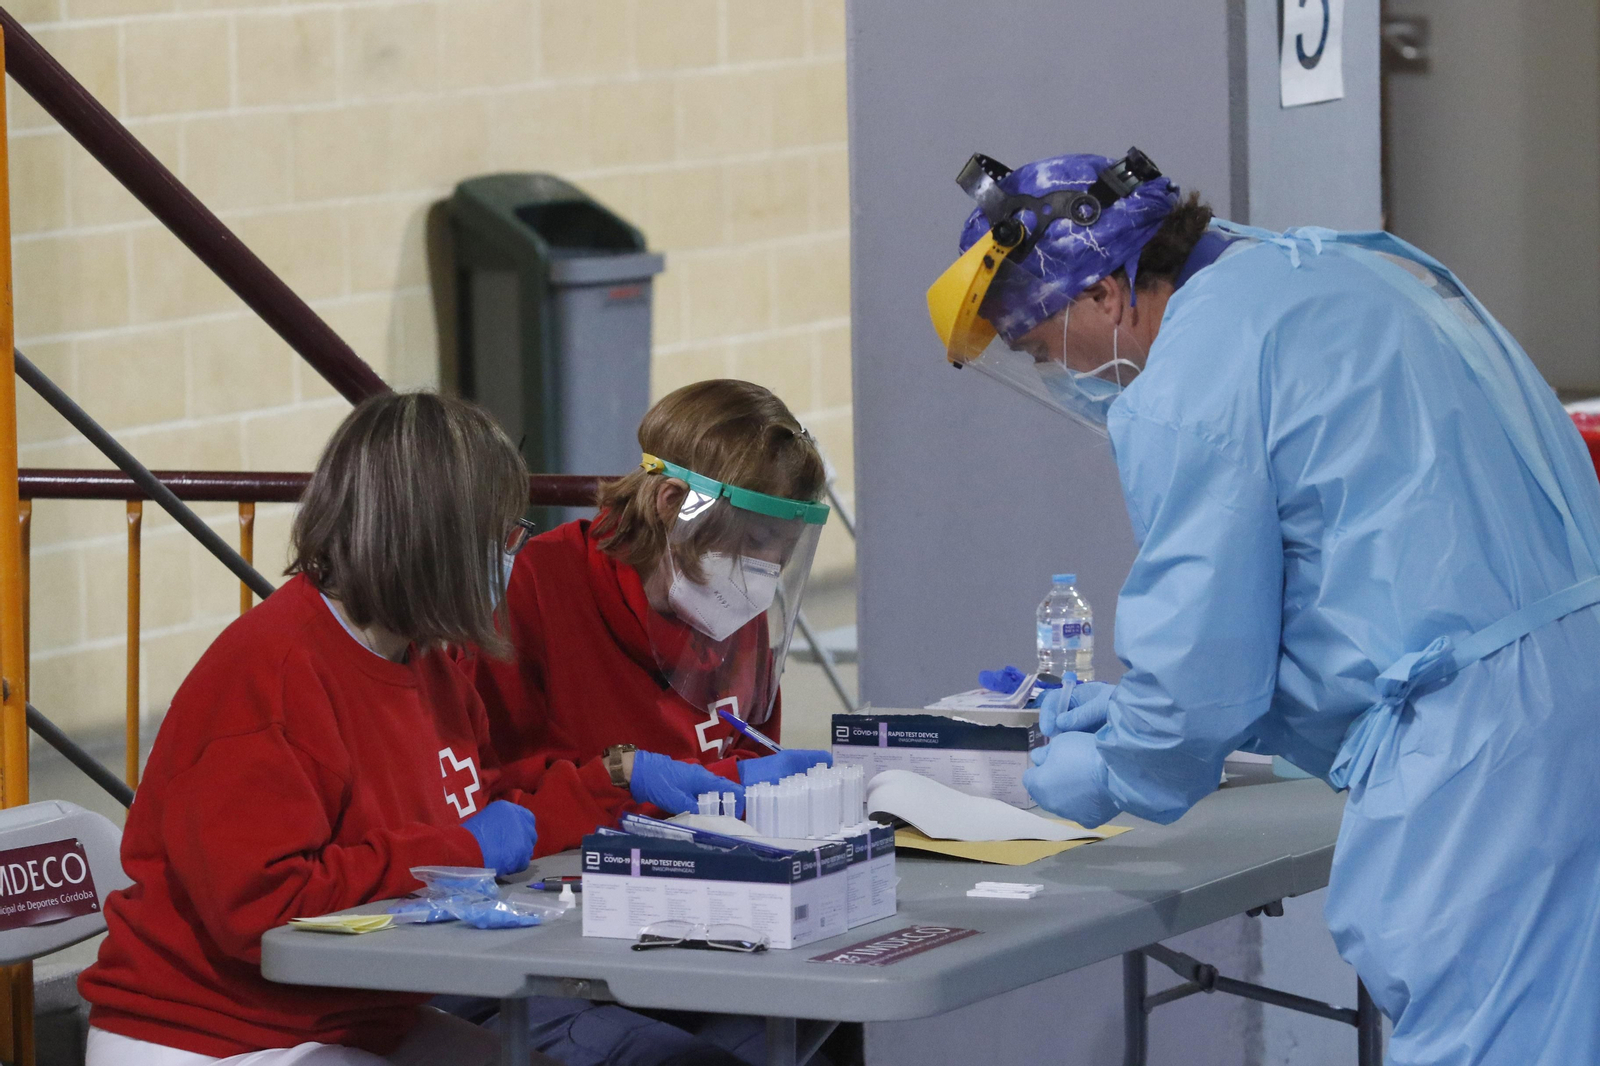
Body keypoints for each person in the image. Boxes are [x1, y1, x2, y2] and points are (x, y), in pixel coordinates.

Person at [927, 148, 1600, 1066]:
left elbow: (1203, 666)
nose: (1059, 375)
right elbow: (1382, 574)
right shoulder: (1343, 271)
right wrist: (1156, 710)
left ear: (1105, 293)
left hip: (1483, 759)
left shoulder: (1194, 380)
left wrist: (1123, 762)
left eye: (1043, 348)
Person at [78, 392, 554, 1066]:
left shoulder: (429, 661)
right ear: (433, 537)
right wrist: (455, 850)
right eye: (499, 532)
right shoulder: (270, 672)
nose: (510, 555)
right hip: (210, 1033)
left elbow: (484, 812)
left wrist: (619, 797)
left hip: (347, 1015)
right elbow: (262, 908)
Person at [458, 379, 836, 1066]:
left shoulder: (733, 608)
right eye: (753, 543)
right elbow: (494, 802)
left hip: (698, 922)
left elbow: (746, 756)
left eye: (780, 552)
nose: (765, 572)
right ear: (672, 504)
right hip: (563, 940)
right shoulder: (536, 591)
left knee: (830, 1028)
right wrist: (634, 783)